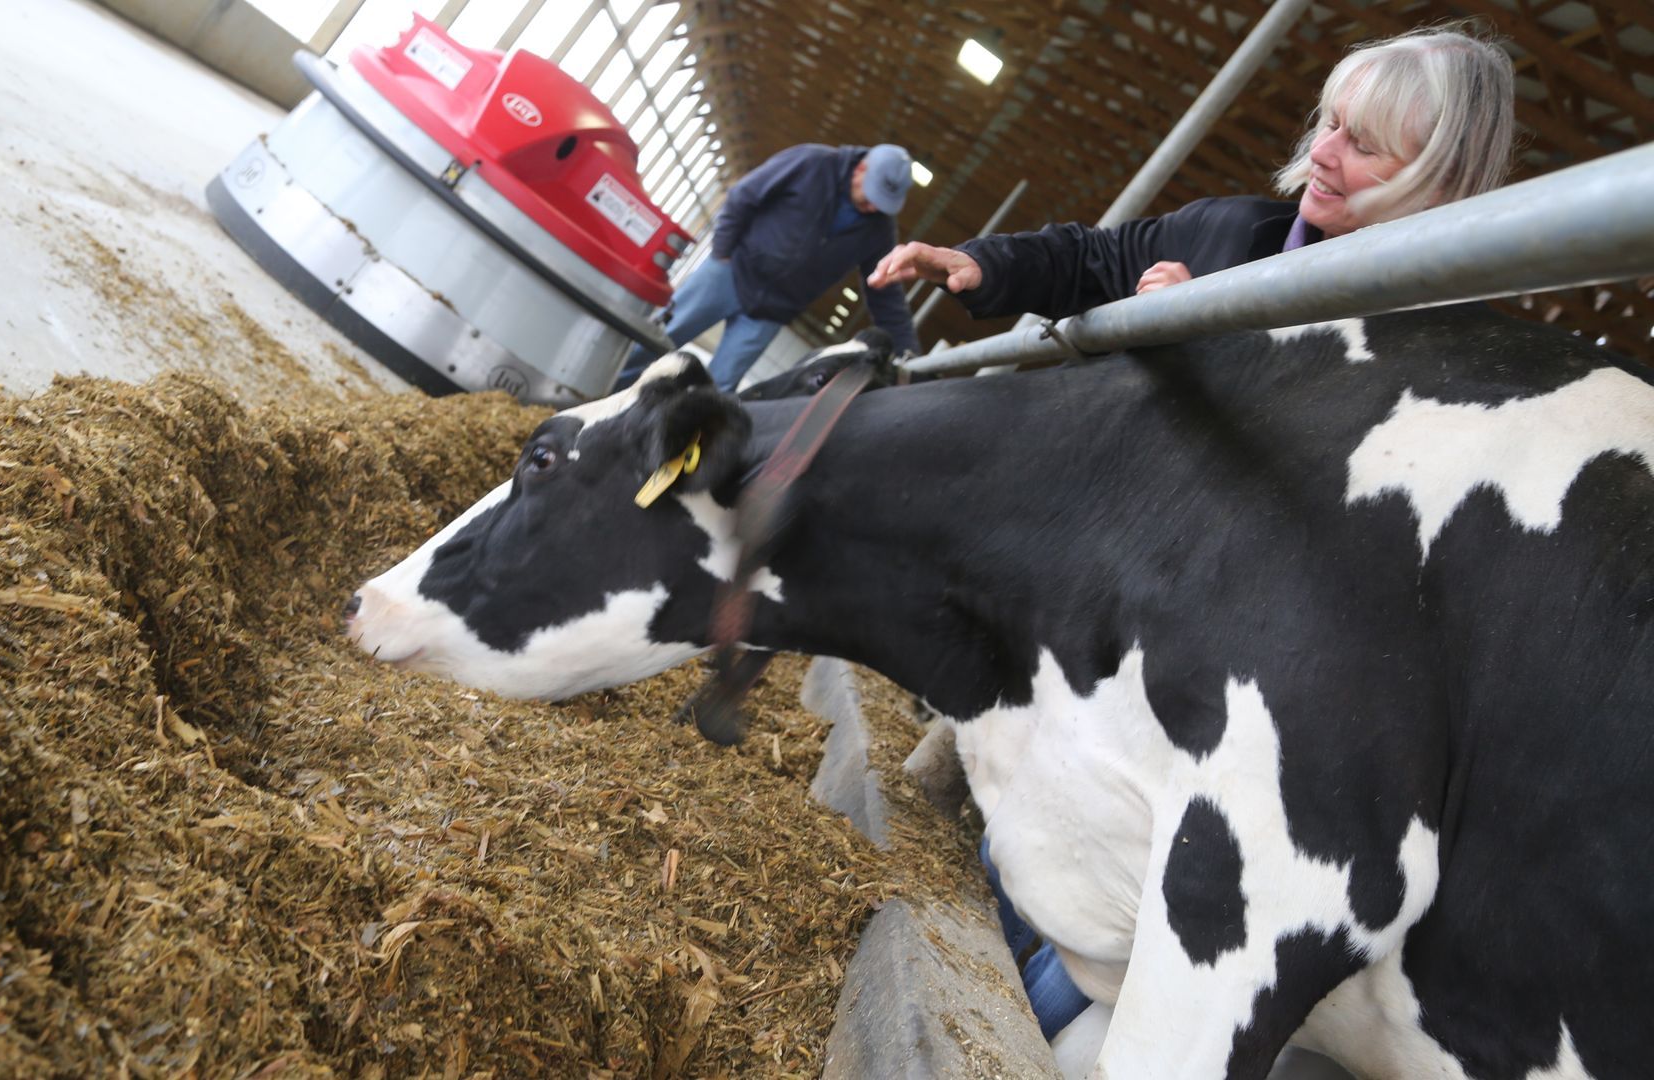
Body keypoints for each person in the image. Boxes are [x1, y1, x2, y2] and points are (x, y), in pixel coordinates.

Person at [868, 23, 1516, 1047]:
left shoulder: (1437, 342)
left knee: (1096, 957)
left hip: (1232, 690)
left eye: (1368, 146)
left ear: (1437, 182)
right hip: (1121, 610)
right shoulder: (1235, 234)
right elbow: (1095, 254)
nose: (1327, 154)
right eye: (1332, 123)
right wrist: (982, 267)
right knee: (1009, 862)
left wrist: (1200, 345)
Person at [612, 143, 922, 393]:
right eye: (871, 198)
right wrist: (722, 254)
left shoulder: (879, 229)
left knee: (717, 389)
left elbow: (884, 290)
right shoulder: (811, 163)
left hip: (771, 311)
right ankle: (592, 394)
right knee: (656, 340)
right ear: (861, 168)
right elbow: (744, 195)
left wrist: (907, 351)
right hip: (729, 273)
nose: (872, 208)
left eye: (881, 205)